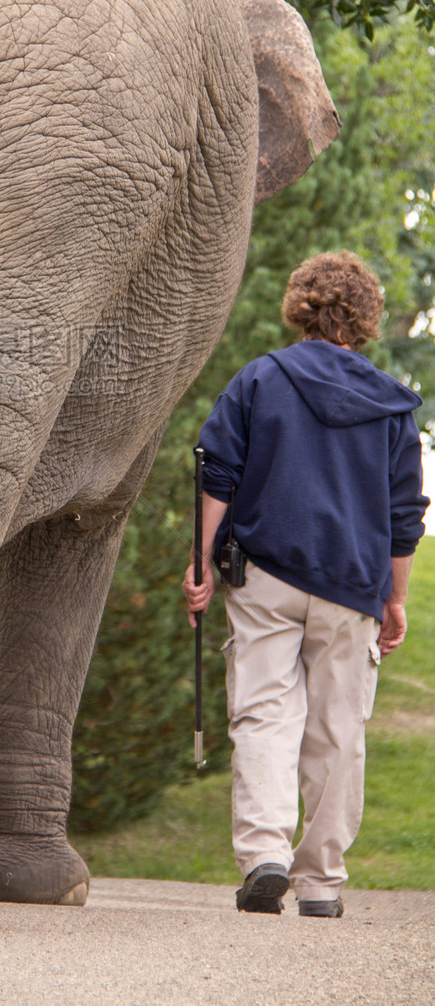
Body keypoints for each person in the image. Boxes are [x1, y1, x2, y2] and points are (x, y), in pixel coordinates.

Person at [183, 251, 429, 917]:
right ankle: (320, 883)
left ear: (300, 306)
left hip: (266, 577)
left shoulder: (261, 379)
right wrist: (394, 597)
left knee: (264, 713)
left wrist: (201, 563)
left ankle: (265, 854)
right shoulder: (392, 406)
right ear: (366, 317)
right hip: (353, 587)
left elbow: (216, 472)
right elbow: (406, 515)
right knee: (339, 729)